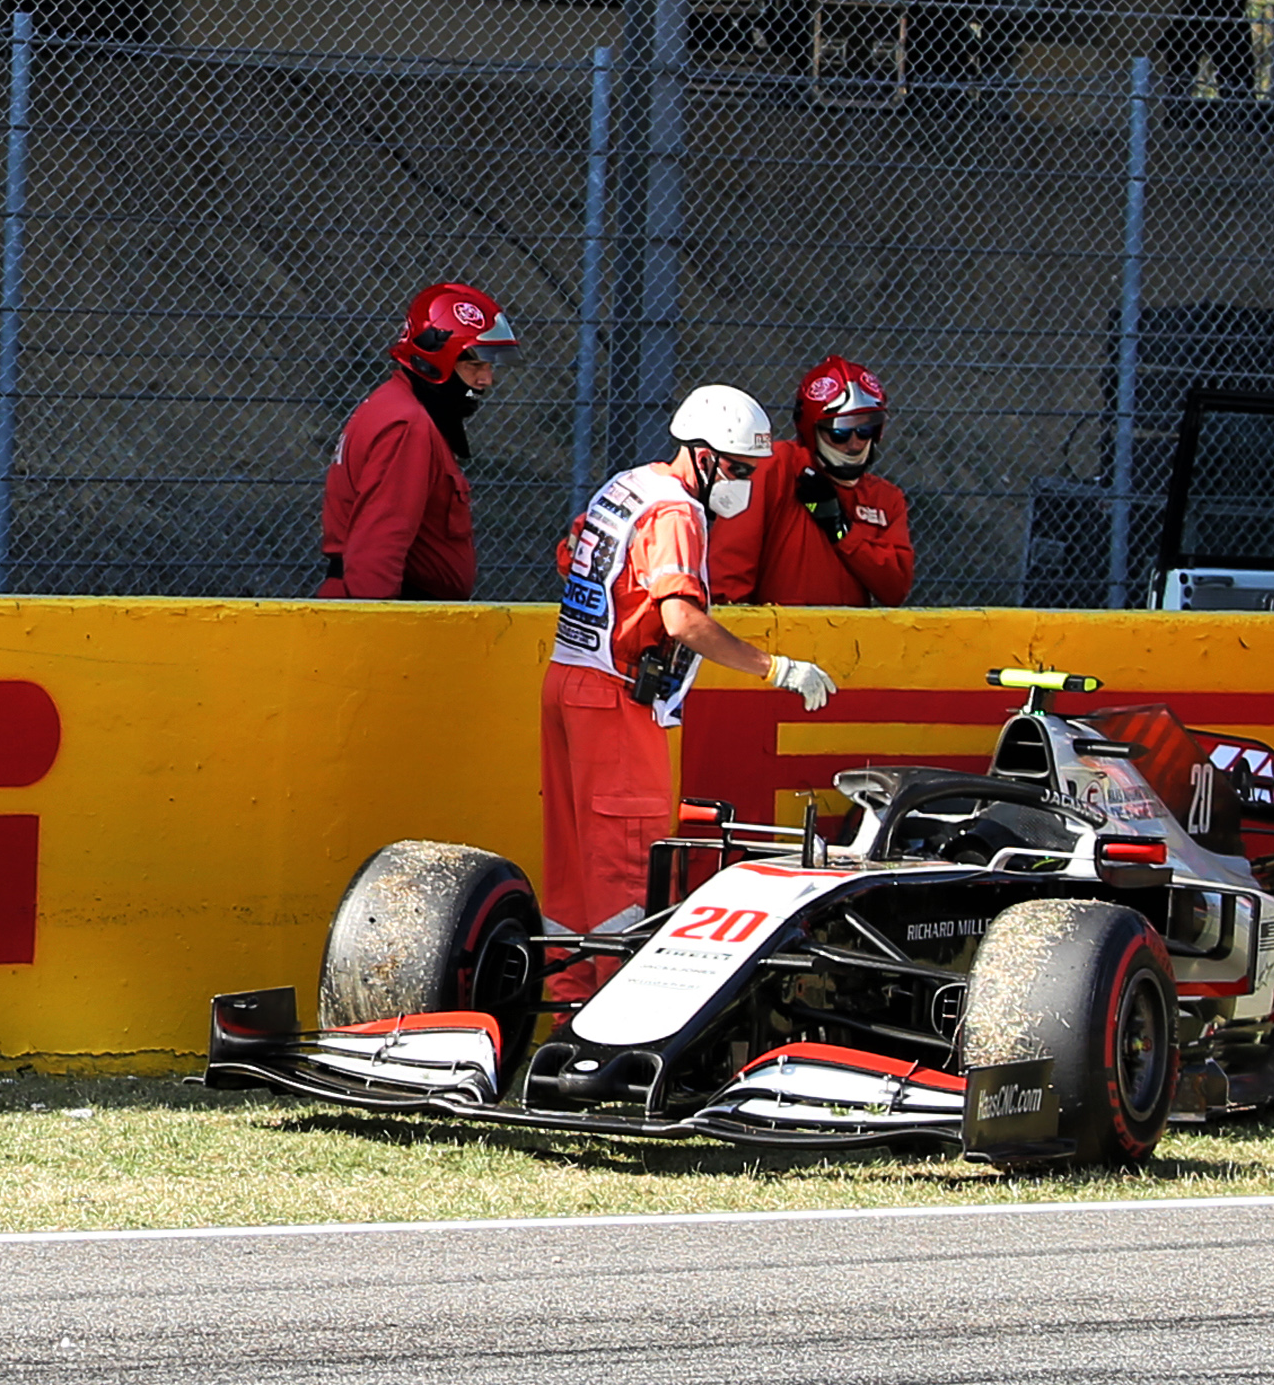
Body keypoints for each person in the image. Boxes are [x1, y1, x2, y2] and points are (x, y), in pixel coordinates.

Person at [546, 386, 837, 928]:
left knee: (573, 876)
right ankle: (618, 1008)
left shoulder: (629, 485)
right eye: (741, 471)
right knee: (629, 874)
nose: (746, 485)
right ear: (705, 458)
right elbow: (682, 620)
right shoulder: (677, 513)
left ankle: (567, 1003)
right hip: (618, 702)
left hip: (569, 680)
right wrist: (777, 669)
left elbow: (570, 559)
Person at [315, 280, 510, 602]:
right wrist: (378, 633)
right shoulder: (408, 427)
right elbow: (378, 549)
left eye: (489, 367)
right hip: (389, 616)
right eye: (474, 365)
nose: (485, 380)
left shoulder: (393, 407)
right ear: (437, 358)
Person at [710, 356, 916, 601]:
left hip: (850, 636)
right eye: (840, 431)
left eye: (865, 429)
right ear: (812, 428)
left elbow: (895, 590)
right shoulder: (772, 469)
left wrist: (841, 531)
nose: (854, 442)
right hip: (774, 634)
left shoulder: (885, 498)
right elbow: (726, 574)